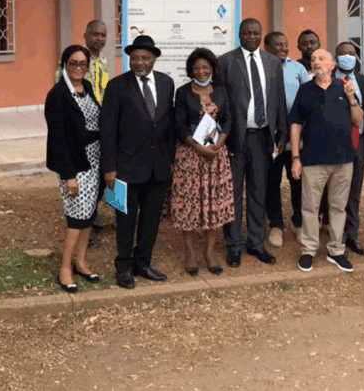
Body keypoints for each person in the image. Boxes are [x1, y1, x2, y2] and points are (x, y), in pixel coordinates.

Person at [100, 35, 176, 289]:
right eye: (134, 58)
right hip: (124, 169)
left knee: (151, 219)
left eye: (144, 58)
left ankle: (143, 263)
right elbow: (108, 130)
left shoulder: (167, 83)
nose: (139, 62)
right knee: (124, 219)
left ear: (154, 59)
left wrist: (171, 160)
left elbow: (168, 125)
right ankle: (123, 266)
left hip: (159, 168)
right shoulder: (117, 86)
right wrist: (109, 168)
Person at [217, 18, 287, 267]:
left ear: (261, 35)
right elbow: (221, 103)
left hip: (262, 138)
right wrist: (222, 138)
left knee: (258, 191)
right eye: (247, 33)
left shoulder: (272, 62)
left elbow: (278, 99)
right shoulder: (226, 62)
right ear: (239, 35)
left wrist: (282, 133)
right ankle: (234, 244)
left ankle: (255, 243)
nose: (252, 37)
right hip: (235, 140)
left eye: (256, 33)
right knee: (233, 194)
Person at [289, 49, 364, 274]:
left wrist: (351, 99)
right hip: (313, 160)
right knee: (310, 208)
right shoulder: (305, 90)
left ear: (332, 65)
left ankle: (336, 250)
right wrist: (295, 157)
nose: (316, 62)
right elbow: (295, 124)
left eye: (321, 58)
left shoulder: (345, 87)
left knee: (338, 207)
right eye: (313, 59)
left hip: (343, 161)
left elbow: (358, 121)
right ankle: (309, 250)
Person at [44, 44, 103, 293]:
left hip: (96, 160)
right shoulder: (58, 95)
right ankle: (65, 267)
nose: (78, 68)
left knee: (88, 215)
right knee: (75, 218)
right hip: (75, 165)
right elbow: (58, 138)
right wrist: (69, 176)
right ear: (64, 65)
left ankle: (81, 262)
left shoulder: (86, 88)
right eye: (73, 63)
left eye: (82, 64)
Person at [172, 48, 235, 276]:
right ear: (191, 69)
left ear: (212, 69)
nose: (201, 71)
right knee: (189, 204)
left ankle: (209, 252)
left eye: (205, 67)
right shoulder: (182, 92)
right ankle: (190, 252)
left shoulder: (220, 92)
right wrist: (198, 148)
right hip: (190, 157)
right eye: (197, 67)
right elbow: (178, 125)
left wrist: (218, 146)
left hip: (216, 157)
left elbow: (228, 120)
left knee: (214, 203)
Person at [263, 31, 311, 248]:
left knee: (297, 180)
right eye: (277, 45)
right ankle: (276, 225)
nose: (283, 48)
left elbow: (308, 96)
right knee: (272, 181)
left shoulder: (298, 68)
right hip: (270, 137)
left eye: (285, 45)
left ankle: (298, 223)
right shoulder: (263, 67)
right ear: (267, 47)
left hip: (295, 136)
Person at [332, 41, 364, 256]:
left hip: (358, 142)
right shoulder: (329, 81)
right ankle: (337, 237)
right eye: (342, 53)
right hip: (335, 143)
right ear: (335, 58)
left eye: (351, 53)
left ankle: (352, 235)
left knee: (354, 191)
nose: (347, 56)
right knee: (336, 192)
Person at [84, 19, 110, 235]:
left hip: (102, 126)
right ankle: (84, 224)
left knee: (103, 174)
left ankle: (92, 214)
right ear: (86, 35)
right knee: (86, 176)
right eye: (96, 34)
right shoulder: (76, 58)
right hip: (83, 129)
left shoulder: (102, 60)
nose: (99, 38)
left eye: (103, 35)